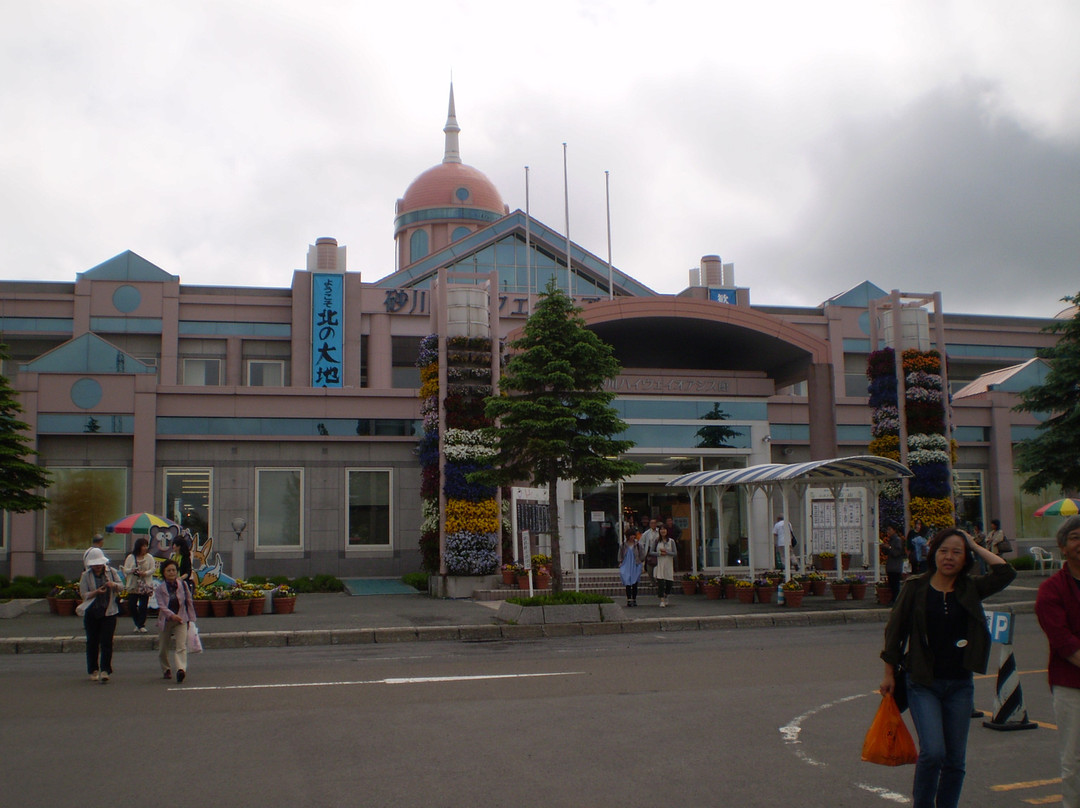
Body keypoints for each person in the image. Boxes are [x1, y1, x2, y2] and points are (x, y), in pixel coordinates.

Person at [880, 527, 1015, 808]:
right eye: (943, 551)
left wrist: (975, 545)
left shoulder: (970, 588)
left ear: (965, 558)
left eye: (957, 552)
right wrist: (889, 673)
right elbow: (895, 632)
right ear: (933, 554)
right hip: (922, 683)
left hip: (959, 684)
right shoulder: (915, 587)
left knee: (955, 759)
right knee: (933, 752)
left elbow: (1005, 573)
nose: (949, 557)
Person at [1034, 514, 1080, 808]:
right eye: (1075, 538)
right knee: (1074, 760)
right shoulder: (1051, 590)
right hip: (1071, 686)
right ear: (1062, 547)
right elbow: (1064, 642)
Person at [78, 547, 123, 683]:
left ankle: (105, 670)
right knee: (92, 642)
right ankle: (93, 669)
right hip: (92, 612)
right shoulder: (86, 575)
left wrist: (113, 584)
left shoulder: (112, 572)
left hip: (109, 612)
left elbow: (121, 586)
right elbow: (83, 594)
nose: (97, 567)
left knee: (106, 642)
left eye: (99, 564)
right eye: (95, 565)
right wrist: (96, 592)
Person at [155, 558, 197, 683]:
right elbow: (161, 605)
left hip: (181, 619)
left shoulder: (183, 585)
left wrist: (191, 619)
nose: (172, 573)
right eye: (168, 570)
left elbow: (189, 601)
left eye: (173, 570)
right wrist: (171, 615)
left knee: (181, 646)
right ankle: (166, 668)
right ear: (164, 573)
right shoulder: (160, 589)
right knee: (163, 648)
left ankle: (181, 669)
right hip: (166, 621)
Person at [122, 537, 156, 633]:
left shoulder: (149, 557)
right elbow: (125, 569)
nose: (145, 548)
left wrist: (145, 573)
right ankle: (137, 623)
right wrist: (132, 570)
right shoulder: (131, 557)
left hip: (145, 584)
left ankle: (141, 624)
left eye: (146, 546)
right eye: (143, 546)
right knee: (132, 605)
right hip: (133, 584)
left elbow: (153, 569)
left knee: (143, 606)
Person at [618, 529, 645, 608]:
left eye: (633, 535)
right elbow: (620, 554)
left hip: (635, 564)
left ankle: (634, 599)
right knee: (627, 582)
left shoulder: (638, 545)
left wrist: (641, 561)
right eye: (631, 535)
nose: (632, 537)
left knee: (635, 583)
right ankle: (629, 599)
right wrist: (620, 562)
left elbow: (642, 554)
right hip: (626, 564)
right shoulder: (623, 545)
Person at [653, 524, 677, 607]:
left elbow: (675, 553)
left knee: (669, 583)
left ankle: (666, 595)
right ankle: (662, 599)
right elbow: (651, 552)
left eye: (664, 529)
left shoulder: (671, 541)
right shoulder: (656, 541)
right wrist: (659, 553)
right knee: (661, 583)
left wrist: (667, 552)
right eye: (661, 529)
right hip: (660, 564)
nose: (663, 531)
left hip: (669, 564)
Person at [882, 524, 906, 604]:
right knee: (892, 584)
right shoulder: (891, 539)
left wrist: (889, 547)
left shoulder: (897, 540)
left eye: (889, 529)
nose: (888, 531)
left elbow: (897, 553)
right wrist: (884, 547)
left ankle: (896, 600)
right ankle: (893, 599)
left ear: (894, 530)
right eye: (887, 530)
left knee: (895, 585)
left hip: (895, 566)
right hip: (891, 566)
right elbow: (887, 553)